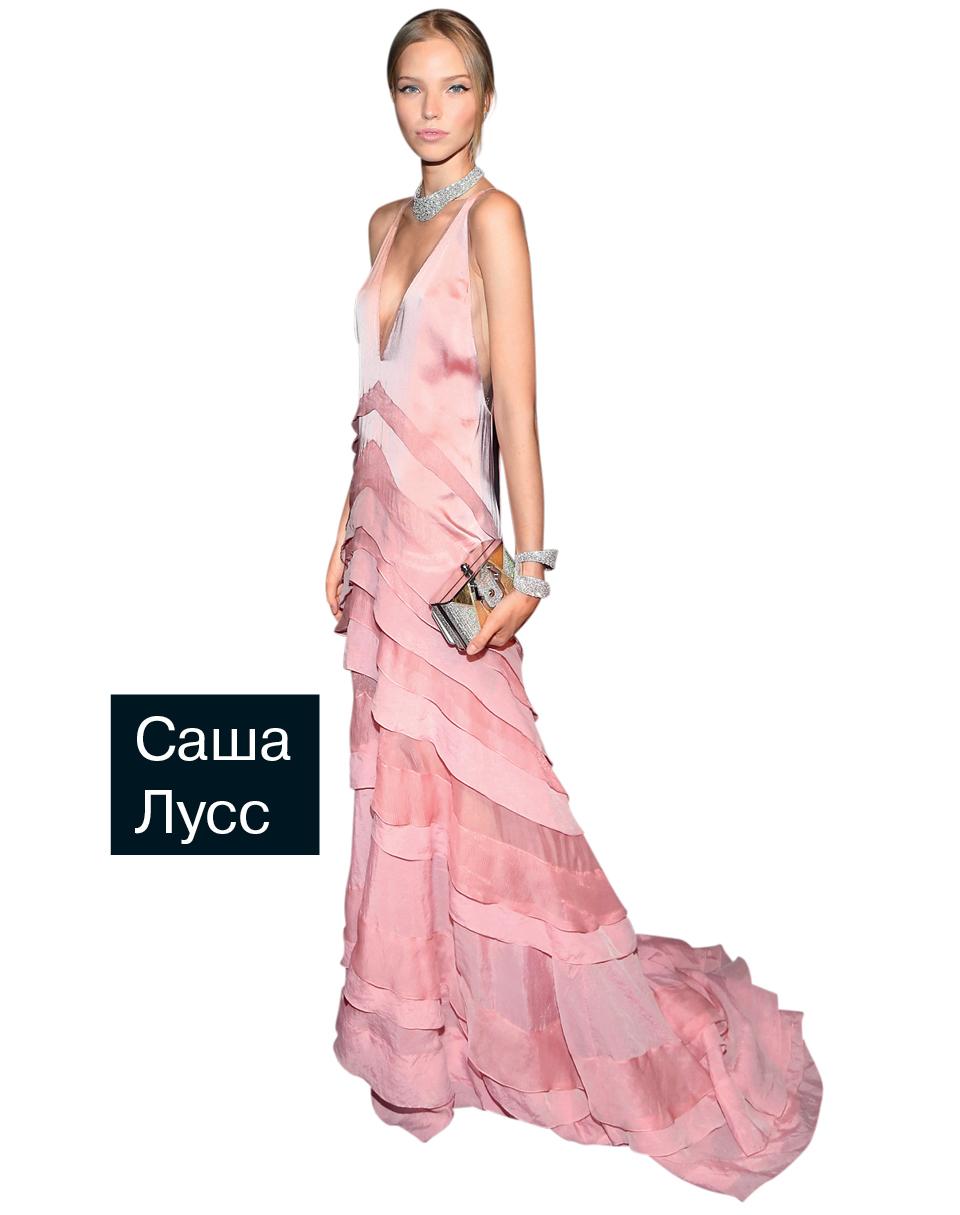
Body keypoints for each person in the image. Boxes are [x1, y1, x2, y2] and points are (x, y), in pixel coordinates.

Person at [325, 9, 822, 1201]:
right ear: (391, 99)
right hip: (384, 541)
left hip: (452, 550)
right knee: (408, 792)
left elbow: (517, 403)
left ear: (487, 99)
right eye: (411, 87)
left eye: (452, 87)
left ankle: (563, 1015)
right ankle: (433, 1026)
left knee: (504, 797)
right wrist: (339, 520)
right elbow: (371, 391)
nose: (430, 109)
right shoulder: (383, 223)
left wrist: (533, 567)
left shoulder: (496, 221)